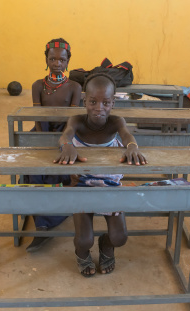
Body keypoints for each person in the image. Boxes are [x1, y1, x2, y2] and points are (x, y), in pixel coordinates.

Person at [54, 73, 147, 277]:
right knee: (84, 239)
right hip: (82, 188)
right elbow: (66, 135)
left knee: (119, 238)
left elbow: (127, 135)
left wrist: (132, 147)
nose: (99, 108)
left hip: (110, 187)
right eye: (93, 102)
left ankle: (106, 244)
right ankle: (82, 251)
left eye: (106, 102)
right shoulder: (77, 121)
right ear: (84, 101)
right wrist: (67, 146)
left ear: (113, 103)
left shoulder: (116, 122)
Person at [24, 38, 82, 252]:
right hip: (42, 131)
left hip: (66, 135)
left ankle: (45, 222)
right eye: (52, 59)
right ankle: (43, 221)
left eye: (62, 59)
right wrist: (43, 141)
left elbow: (73, 120)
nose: (57, 63)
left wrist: (63, 141)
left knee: (64, 172)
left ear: (68, 61)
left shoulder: (75, 86)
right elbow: (39, 117)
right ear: (46, 60)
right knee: (35, 173)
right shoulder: (38, 85)